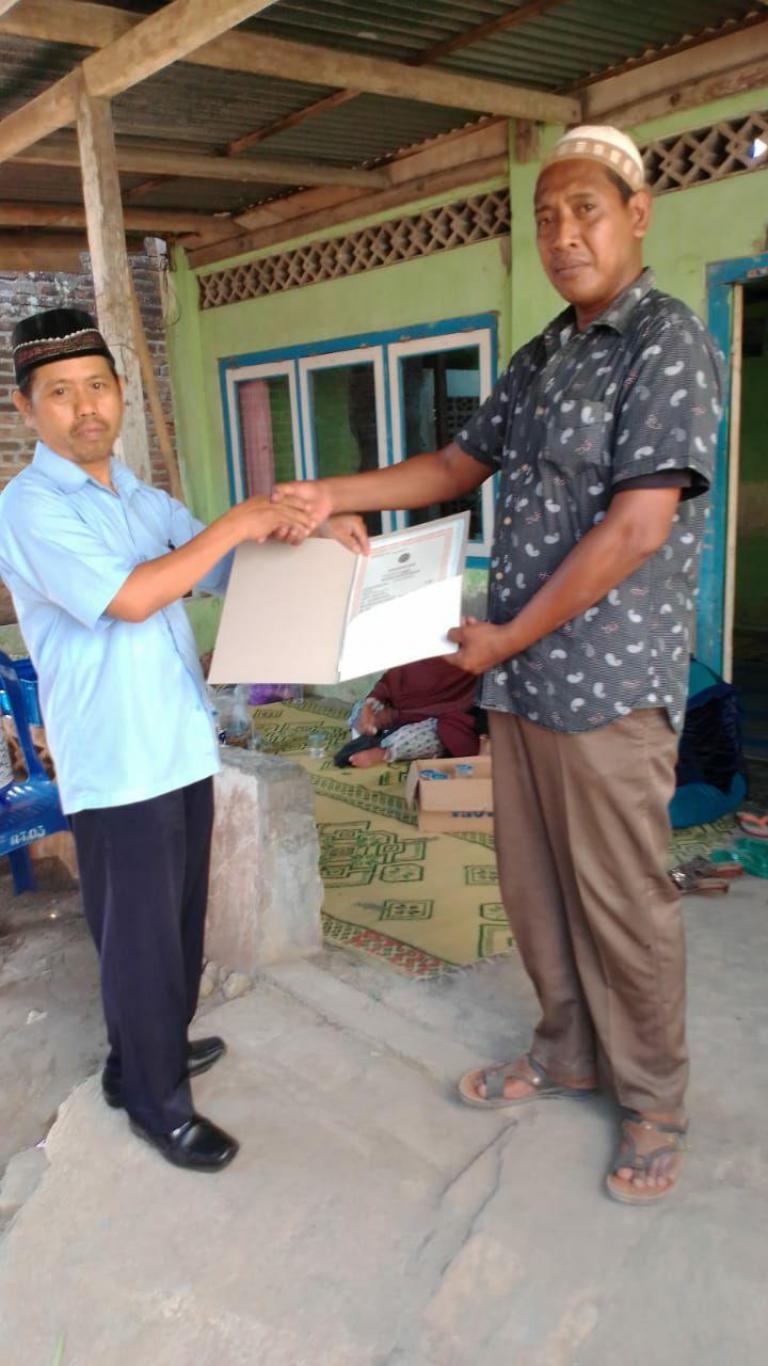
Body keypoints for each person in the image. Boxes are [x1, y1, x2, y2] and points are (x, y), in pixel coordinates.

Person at [273, 125, 722, 1204]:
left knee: (622, 901)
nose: (564, 235)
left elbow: (638, 527)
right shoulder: (543, 355)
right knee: (532, 888)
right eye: (547, 217)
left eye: (586, 211)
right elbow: (451, 464)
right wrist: (333, 495)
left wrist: (507, 637)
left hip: (605, 687)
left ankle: (654, 1102)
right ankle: (567, 1050)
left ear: (637, 214)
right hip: (520, 685)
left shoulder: (667, 344)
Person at [0, 307, 312, 1173]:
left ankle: (145, 1054)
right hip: (116, 760)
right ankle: (155, 1104)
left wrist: (305, 532)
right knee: (138, 939)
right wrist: (237, 522)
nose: (85, 408)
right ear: (27, 409)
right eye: (60, 393)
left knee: (176, 924)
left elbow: (217, 566)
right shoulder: (27, 507)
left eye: (98, 387)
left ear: (121, 394)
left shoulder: (140, 498)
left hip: (176, 745)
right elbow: (134, 598)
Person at [334, 655, 482, 768]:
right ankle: (368, 734)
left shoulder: (464, 658)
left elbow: (445, 706)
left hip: (437, 718)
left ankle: (382, 752)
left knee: (419, 738)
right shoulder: (415, 650)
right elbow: (388, 682)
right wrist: (371, 705)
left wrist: (395, 716)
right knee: (360, 709)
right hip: (395, 709)